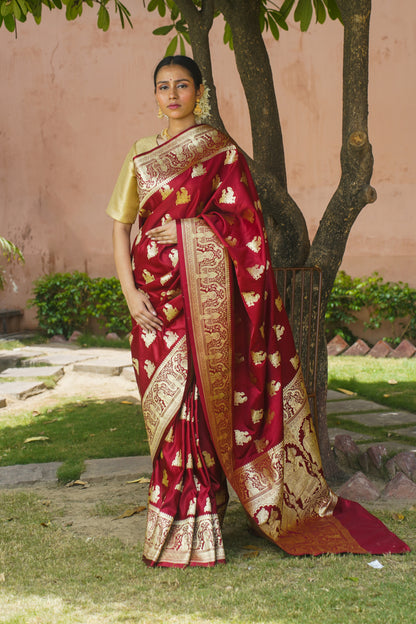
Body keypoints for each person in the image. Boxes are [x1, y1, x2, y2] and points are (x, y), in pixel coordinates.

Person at [107, 55, 409, 568]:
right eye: (163, 87)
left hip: (206, 310)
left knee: (199, 413)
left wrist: (185, 231)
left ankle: (202, 522)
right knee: (166, 416)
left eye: (183, 85)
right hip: (154, 305)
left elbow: (245, 228)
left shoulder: (219, 152)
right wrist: (132, 296)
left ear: (200, 93)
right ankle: (171, 520)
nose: (173, 94)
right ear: (154, 95)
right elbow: (120, 227)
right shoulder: (139, 156)